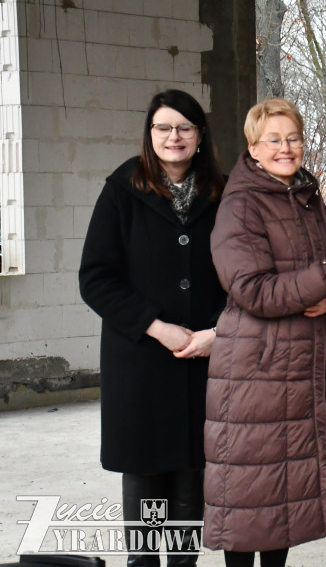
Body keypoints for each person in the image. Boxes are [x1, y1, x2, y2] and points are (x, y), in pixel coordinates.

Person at [203, 99, 326, 567]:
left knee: (282, 502)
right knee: (248, 499)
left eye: (293, 138)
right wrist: (325, 280)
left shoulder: (307, 197)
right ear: (254, 149)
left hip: (300, 369)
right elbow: (251, 290)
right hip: (256, 373)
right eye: (273, 140)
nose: (285, 147)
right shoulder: (240, 204)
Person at [79, 89, 226, 567]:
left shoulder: (223, 193)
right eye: (163, 127)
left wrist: (218, 332)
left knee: (191, 473)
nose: (173, 136)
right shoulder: (122, 190)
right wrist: (156, 327)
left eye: (184, 127)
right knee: (145, 476)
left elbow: (241, 275)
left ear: (200, 135)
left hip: (202, 358)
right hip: (141, 361)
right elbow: (95, 278)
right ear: (149, 134)